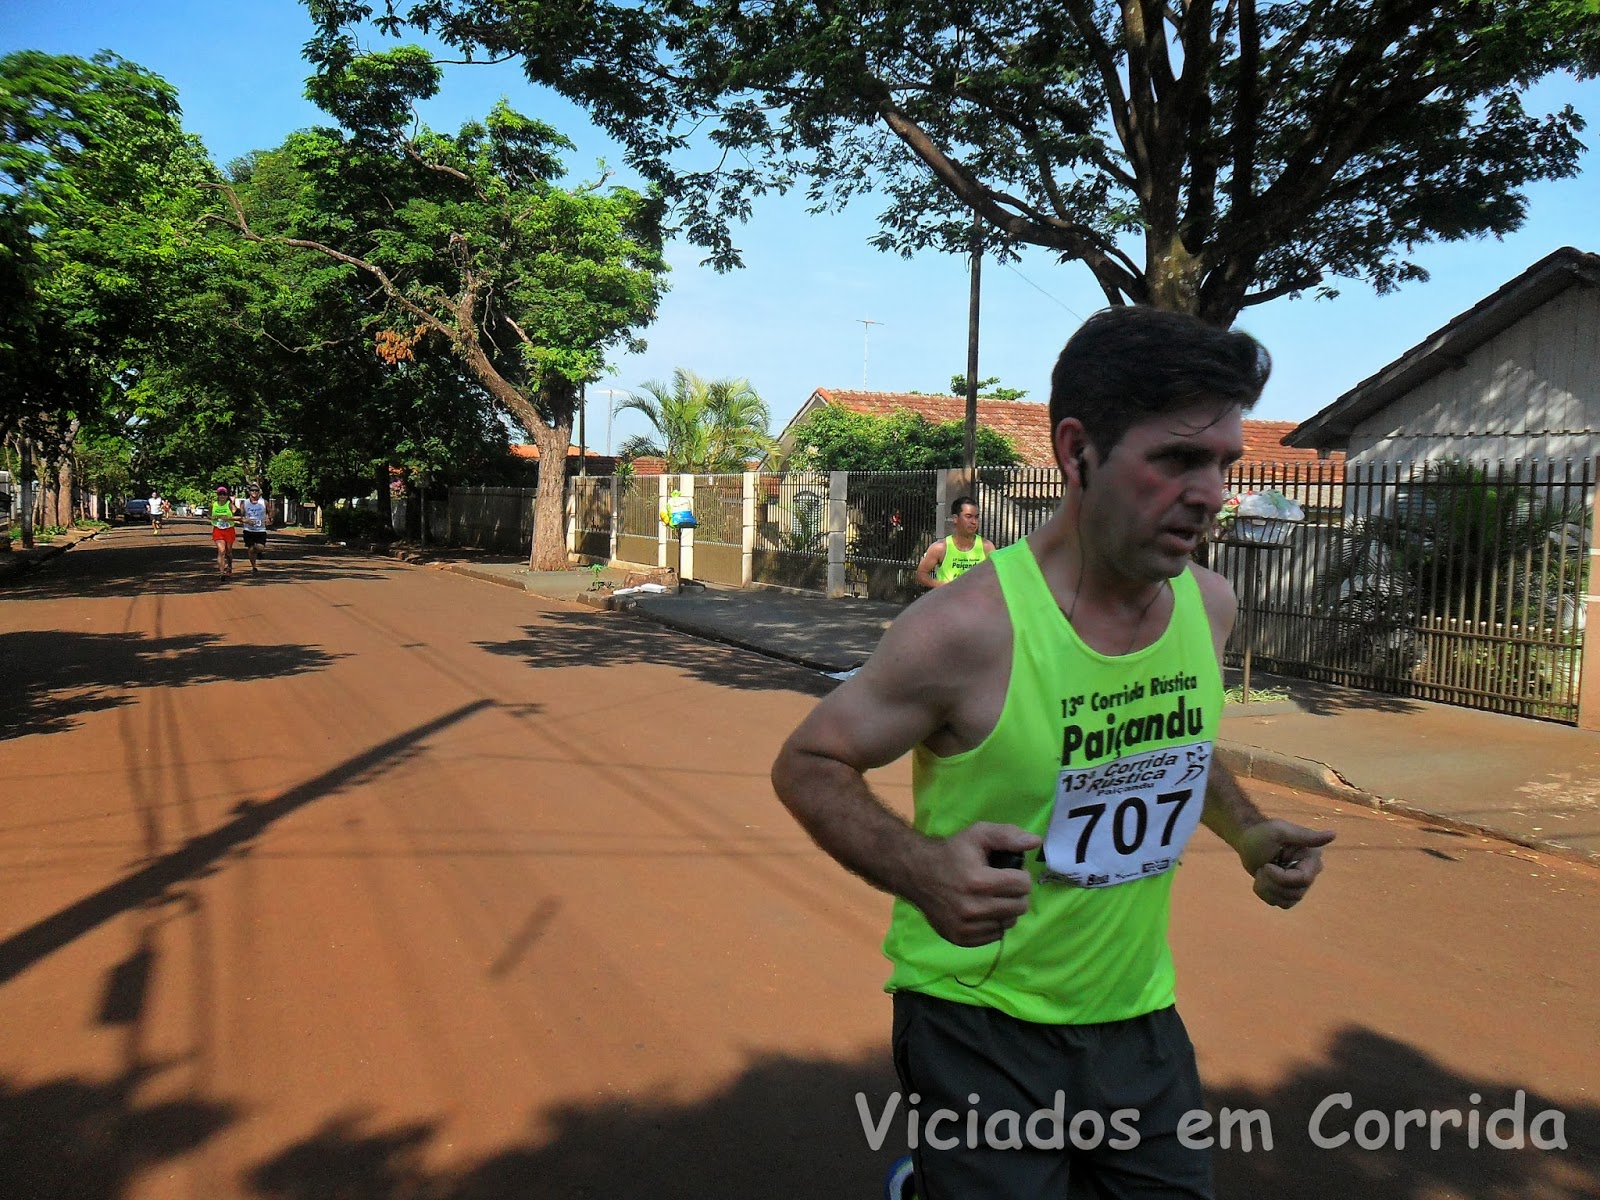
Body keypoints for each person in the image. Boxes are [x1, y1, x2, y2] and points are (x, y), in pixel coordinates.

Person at [771, 307, 1335, 1199]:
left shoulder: (1209, 606)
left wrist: (1249, 832)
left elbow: (1177, 744)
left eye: (1224, 464)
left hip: (1138, 1017)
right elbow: (808, 763)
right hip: (979, 1019)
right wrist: (923, 870)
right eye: (1178, 459)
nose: (1211, 493)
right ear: (1077, 453)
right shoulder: (966, 630)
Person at [915, 496, 996, 588]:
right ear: (955, 518)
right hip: (948, 597)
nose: (974, 522)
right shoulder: (940, 548)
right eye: (968, 516)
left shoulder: (987, 547)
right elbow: (921, 574)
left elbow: (996, 576)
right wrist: (940, 585)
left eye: (976, 517)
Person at [239, 483, 269, 573]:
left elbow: (270, 511)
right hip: (248, 530)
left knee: (260, 547)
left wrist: (270, 518)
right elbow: (241, 516)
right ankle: (254, 567)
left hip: (260, 529)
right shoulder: (245, 503)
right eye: (252, 490)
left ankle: (258, 552)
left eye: (256, 490)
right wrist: (246, 521)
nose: (254, 492)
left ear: (259, 492)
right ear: (249, 492)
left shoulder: (264, 502)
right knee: (250, 548)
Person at [210, 485, 238, 578]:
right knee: (221, 551)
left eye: (224, 494)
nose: (222, 496)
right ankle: (221, 572)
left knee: (228, 551)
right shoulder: (213, 505)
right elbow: (209, 514)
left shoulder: (229, 504)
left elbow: (235, 511)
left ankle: (229, 566)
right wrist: (212, 517)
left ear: (227, 496)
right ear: (217, 495)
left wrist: (232, 503)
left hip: (229, 529)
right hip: (218, 529)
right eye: (220, 494)